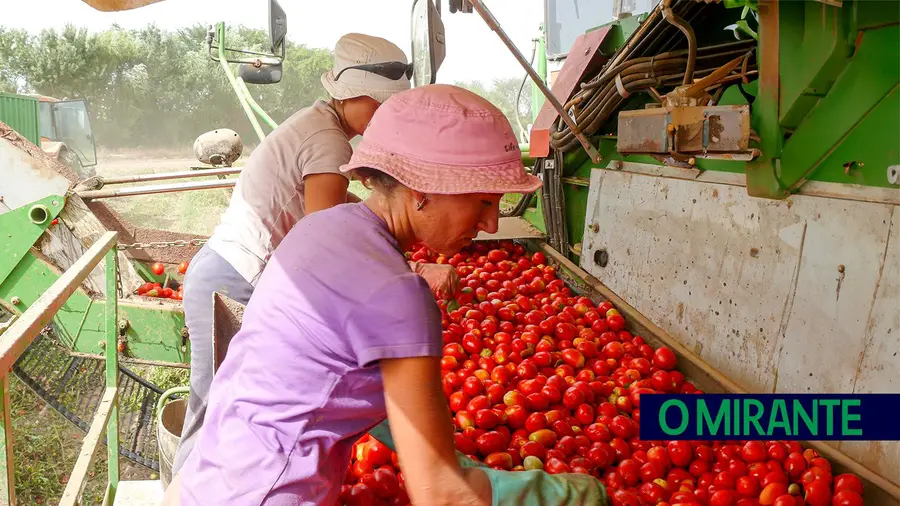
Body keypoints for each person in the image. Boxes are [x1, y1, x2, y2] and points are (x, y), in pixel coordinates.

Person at [165, 84, 608, 506]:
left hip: (209, 477)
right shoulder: (400, 295)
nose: (491, 225)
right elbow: (443, 494)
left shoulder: (318, 229)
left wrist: (443, 450)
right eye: (483, 203)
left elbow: (325, 373)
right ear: (421, 190)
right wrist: (566, 494)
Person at [172, 33, 457, 476]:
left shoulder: (317, 124)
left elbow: (334, 215)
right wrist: (412, 271)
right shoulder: (328, 141)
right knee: (217, 411)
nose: (383, 118)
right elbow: (328, 240)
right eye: (380, 106)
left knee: (224, 406)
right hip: (235, 278)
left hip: (232, 271)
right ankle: (187, 492)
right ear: (352, 96)